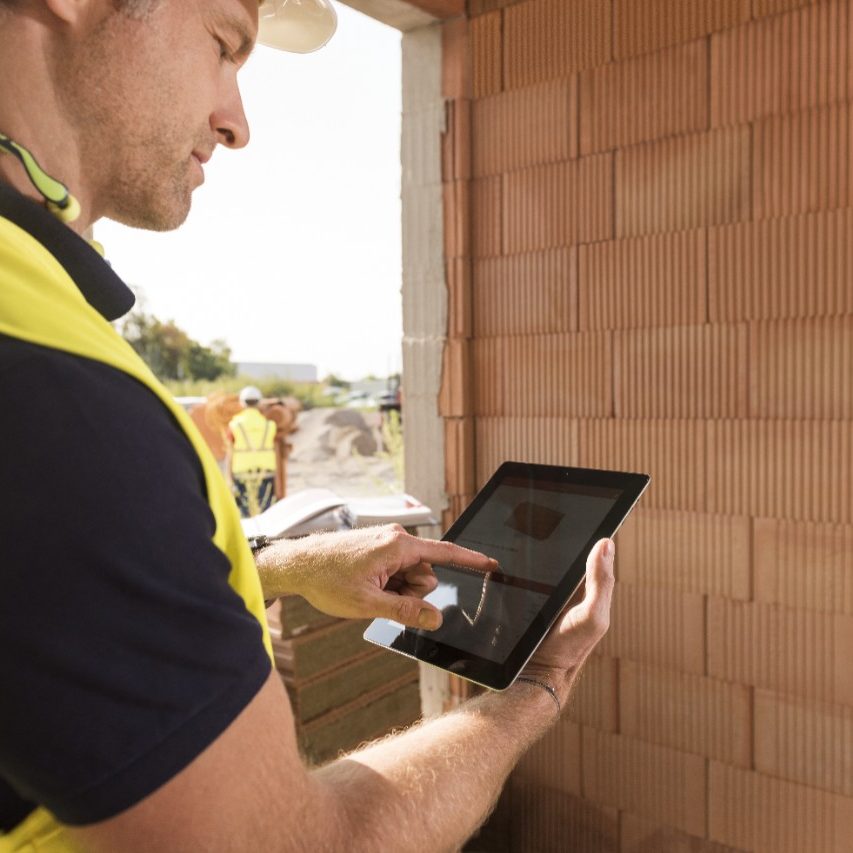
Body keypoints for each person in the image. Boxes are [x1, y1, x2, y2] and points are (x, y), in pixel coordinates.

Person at [0, 2, 616, 851]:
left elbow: (55, 593)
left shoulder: (37, 320)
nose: (236, 122)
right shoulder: (56, 400)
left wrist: (288, 567)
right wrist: (536, 686)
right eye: (223, 44)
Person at [228, 384, 277, 517]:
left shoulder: (234, 425)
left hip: (242, 473)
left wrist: (229, 477)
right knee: (266, 512)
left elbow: (230, 451)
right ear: (259, 402)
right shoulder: (270, 425)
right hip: (266, 472)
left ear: (242, 403)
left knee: (246, 513)